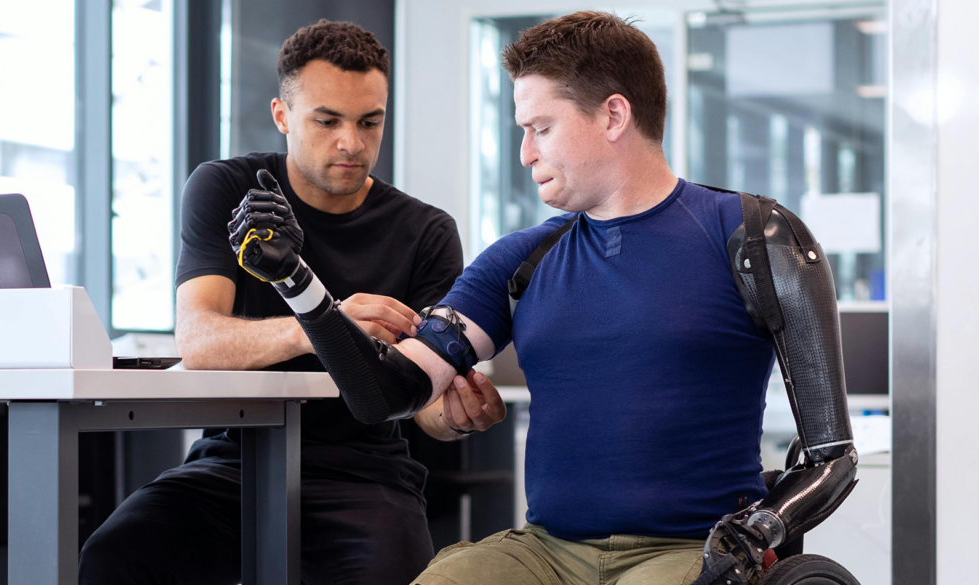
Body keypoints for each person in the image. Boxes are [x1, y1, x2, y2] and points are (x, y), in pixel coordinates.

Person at [230, 11, 858, 585]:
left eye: (541, 128)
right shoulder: (520, 260)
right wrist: (298, 284)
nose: (525, 152)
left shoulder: (753, 239)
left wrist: (758, 534)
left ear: (613, 116)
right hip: (545, 552)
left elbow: (832, 458)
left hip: (686, 551)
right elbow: (385, 396)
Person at [78, 19, 507, 585]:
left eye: (369, 122)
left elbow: (424, 406)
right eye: (326, 121)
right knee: (115, 557)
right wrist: (323, 324)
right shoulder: (230, 191)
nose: (351, 142)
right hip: (234, 461)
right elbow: (200, 342)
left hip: (365, 474)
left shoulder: (425, 230)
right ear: (282, 115)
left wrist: (455, 419)